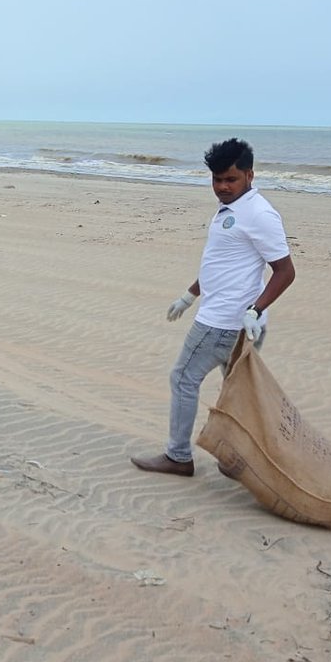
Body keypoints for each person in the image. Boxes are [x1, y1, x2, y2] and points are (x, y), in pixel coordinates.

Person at [131, 138, 295, 477]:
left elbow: (285, 272)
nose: (222, 187)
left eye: (230, 179)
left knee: (183, 379)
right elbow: (220, 265)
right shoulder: (232, 209)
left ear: (250, 174)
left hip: (224, 321)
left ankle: (178, 456)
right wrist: (190, 295)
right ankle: (238, 460)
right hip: (235, 319)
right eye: (216, 180)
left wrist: (255, 309)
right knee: (236, 392)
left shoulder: (259, 214)